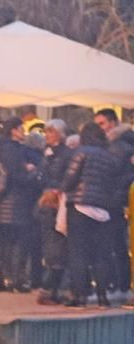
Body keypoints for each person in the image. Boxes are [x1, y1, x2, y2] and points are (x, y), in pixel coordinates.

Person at [60, 122, 123, 307]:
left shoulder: (81, 152)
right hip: (103, 210)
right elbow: (114, 184)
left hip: (79, 207)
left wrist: (63, 190)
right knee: (101, 254)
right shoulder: (109, 157)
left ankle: (80, 296)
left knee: (78, 253)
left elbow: (70, 178)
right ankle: (102, 296)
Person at [0, 117, 43, 293]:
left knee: (4, 242)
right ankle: (17, 279)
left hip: (1, 201)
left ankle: (0, 278)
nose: (24, 132)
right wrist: (32, 171)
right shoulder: (14, 150)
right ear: (13, 130)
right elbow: (18, 176)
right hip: (17, 202)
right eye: (21, 128)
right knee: (20, 242)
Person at [95, 108, 134, 302]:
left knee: (117, 244)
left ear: (112, 123)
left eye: (102, 124)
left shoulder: (121, 145)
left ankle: (121, 285)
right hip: (116, 199)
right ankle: (119, 284)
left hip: (117, 201)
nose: (100, 128)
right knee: (114, 244)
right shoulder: (116, 144)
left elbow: (116, 172)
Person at [35, 119, 70, 304]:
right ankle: (51, 289)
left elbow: (64, 177)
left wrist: (55, 191)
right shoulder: (47, 154)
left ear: (60, 134)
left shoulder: (64, 154)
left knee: (56, 247)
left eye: (50, 131)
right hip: (47, 205)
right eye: (46, 131)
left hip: (57, 204)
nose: (47, 135)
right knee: (51, 246)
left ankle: (50, 289)